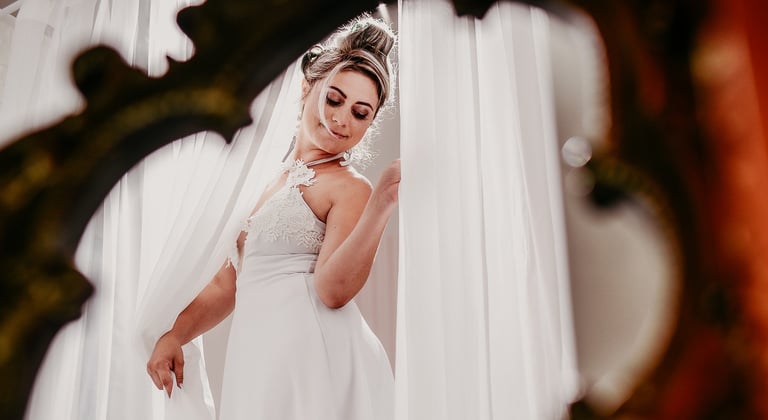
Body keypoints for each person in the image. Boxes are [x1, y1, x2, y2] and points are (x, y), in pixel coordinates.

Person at [146, 15, 399, 420]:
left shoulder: (350, 187)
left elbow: (332, 291)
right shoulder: (261, 179)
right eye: (334, 99)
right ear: (306, 87)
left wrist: (382, 203)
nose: (342, 120)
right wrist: (175, 334)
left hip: (313, 355)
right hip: (257, 353)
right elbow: (227, 283)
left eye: (360, 112)